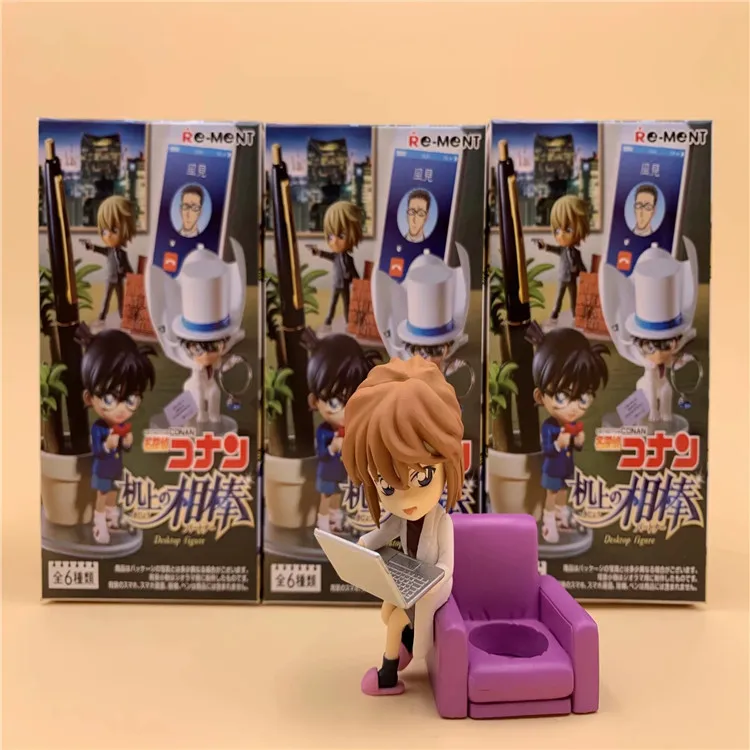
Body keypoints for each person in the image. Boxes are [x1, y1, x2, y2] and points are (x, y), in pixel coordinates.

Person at [342, 357, 464, 696]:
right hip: (410, 582)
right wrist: (362, 545)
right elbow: (382, 533)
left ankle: (388, 673)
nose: (407, 497)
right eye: (388, 484)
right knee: (388, 611)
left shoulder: (442, 523)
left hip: (434, 587)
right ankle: (406, 646)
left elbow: (446, 566)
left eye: (423, 477)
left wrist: (427, 581)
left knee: (396, 619)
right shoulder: (400, 519)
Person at [526, 322, 609, 544]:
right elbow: (547, 450)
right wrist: (558, 444)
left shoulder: (572, 425)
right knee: (552, 493)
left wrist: (578, 441)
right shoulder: (550, 427)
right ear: (540, 396)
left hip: (566, 467)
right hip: (552, 468)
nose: (574, 408)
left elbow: (576, 446)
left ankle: (562, 516)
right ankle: (548, 521)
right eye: (562, 397)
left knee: (563, 491)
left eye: (583, 397)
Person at [78, 325, 156, 544]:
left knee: (113, 492)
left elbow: (125, 446)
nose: (122, 409)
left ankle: (112, 518)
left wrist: (127, 442)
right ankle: (99, 521)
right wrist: (108, 445)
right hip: (102, 469)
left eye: (130, 399)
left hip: (116, 468)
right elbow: (97, 451)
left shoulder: (121, 425)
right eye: (110, 399)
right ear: (89, 398)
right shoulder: (99, 428)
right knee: (102, 494)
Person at [302, 329, 381, 532]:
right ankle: (322, 524)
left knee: (338, 496)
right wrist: (333, 447)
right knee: (326, 496)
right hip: (327, 472)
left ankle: (335, 523)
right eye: (335, 402)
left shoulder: (356, 428)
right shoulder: (324, 432)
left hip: (344, 474)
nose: (346, 411)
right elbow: (321, 454)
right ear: (314, 401)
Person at [532, 194, 589, 325]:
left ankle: (575, 314)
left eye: (568, 229)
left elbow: (581, 265)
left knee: (574, 297)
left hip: (572, 278)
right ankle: (554, 313)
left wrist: (586, 275)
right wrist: (543, 246)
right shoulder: (562, 250)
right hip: (562, 277)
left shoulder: (577, 252)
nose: (561, 235)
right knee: (559, 297)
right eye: (557, 230)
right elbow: (552, 248)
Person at [308, 201, 362, 331]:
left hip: (345, 285)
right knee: (332, 304)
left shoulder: (349, 259)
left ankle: (348, 322)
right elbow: (325, 254)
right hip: (336, 284)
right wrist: (317, 252)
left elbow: (354, 272)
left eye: (341, 235)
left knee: (347, 304)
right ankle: (328, 322)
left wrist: (359, 282)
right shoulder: (335, 256)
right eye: (331, 236)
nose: (335, 241)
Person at [81, 195, 135, 322]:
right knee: (106, 298)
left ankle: (122, 315)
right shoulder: (108, 250)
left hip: (119, 279)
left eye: (114, 230)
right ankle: (102, 315)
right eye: (104, 231)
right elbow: (98, 249)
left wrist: (133, 277)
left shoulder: (123, 253)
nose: (109, 235)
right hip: (109, 278)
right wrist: (90, 246)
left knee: (121, 298)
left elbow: (127, 266)